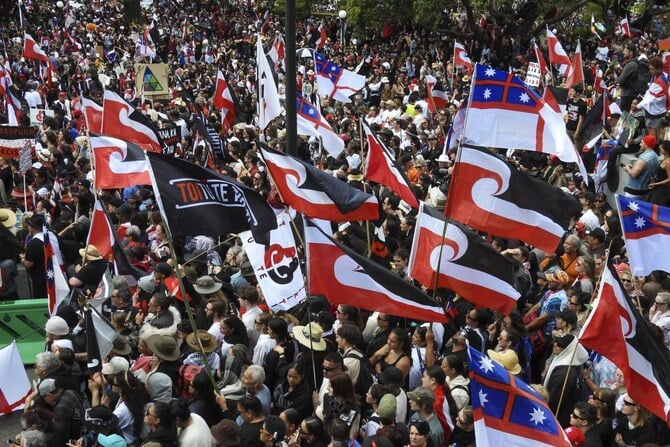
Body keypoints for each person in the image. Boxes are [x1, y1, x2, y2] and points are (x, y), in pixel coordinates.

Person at [34, 378, 84, 446]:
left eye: (43, 397)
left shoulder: (60, 409)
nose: (43, 400)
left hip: (75, 440)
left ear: (49, 395)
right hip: (82, 429)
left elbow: (61, 436)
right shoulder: (70, 392)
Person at [316, 372, 360, 440]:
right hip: (326, 437)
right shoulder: (327, 397)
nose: (327, 388)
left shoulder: (354, 409)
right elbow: (325, 418)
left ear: (339, 388)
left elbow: (352, 437)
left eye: (331, 386)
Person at [645, 140, 670, 206]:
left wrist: (656, 184)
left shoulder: (668, 163)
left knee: (654, 206)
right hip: (657, 187)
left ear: (667, 150)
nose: (659, 147)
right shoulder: (663, 159)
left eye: (661, 146)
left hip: (662, 190)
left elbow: (669, 179)